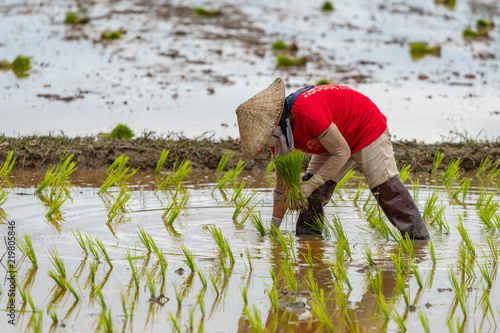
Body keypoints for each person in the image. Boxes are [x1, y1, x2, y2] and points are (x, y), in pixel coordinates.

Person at [235, 78, 429, 240]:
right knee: (312, 196)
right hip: (332, 138)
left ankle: (419, 241)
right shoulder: (278, 137)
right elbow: (281, 185)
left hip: (365, 128)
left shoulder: (307, 112)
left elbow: (342, 153)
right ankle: (310, 243)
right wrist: (273, 230)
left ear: (275, 121)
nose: (268, 141)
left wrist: (311, 184)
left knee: (387, 190)